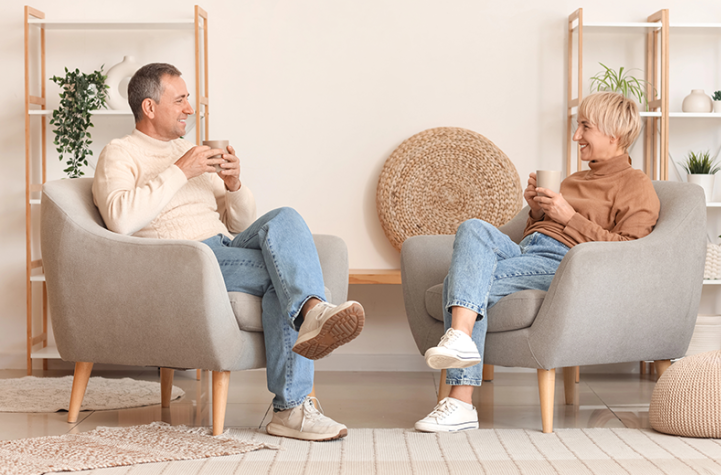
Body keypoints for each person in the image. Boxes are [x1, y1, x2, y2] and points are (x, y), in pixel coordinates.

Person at [92, 63, 365, 442]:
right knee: (283, 284)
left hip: (224, 250)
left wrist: (234, 185)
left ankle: (311, 313)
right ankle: (293, 400)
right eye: (181, 99)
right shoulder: (121, 153)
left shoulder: (191, 152)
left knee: (284, 219)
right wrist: (179, 172)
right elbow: (120, 219)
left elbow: (239, 223)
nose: (190, 108)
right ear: (150, 107)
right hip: (183, 261)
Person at [414, 91, 660, 433]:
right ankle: (460, 347)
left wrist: (570, 216)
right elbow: (536, 232)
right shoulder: (574, 180)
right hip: (528, 252)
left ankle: (461, 399)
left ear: (611, 134)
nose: (576, 137)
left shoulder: (635, 184)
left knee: (464, 288)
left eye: (584, 127)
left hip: (566, 264)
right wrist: (536, 209)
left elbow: (630, 250)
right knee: (473, 229)